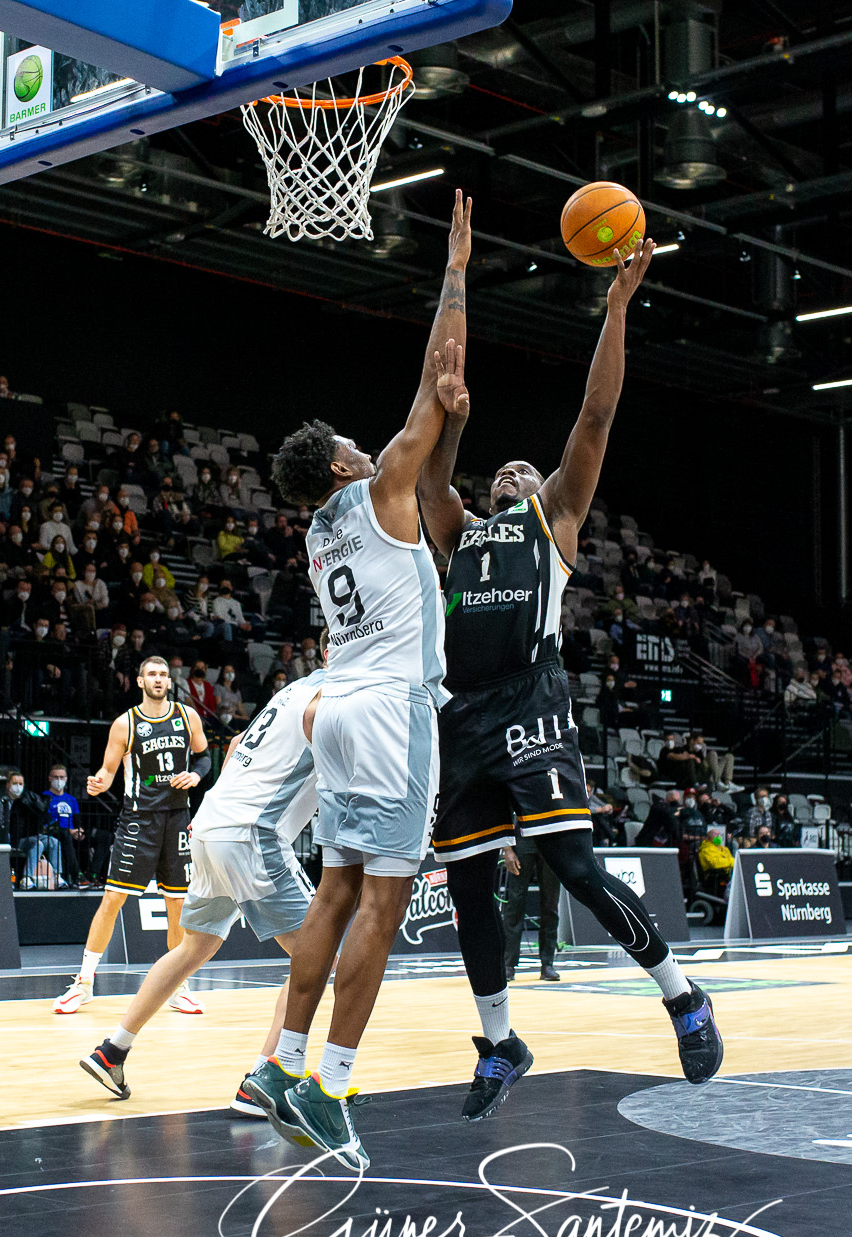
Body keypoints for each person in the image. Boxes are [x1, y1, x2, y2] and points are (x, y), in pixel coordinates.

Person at [416, 233, 719, 1123]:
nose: (514, 472)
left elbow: (593, 419)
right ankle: (500, 1040)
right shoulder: (458, 530)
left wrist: (617, 307)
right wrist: (456, 416)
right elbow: (433, 471)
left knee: (574, 864)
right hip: (462, 720)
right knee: (471, 885)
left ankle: (682, 994)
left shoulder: (554, 520)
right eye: (499, 469)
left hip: (532, 705)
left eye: (525, 468)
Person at [254, 189, 471, 1172]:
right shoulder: (379, 486)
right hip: (391, 712)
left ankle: (280, 1064)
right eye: (352, 440)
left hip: (334, 709)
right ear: (342, 460)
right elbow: (439, 379)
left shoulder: (314, 531)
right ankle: (329, 1088)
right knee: (381, 906)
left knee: (333, 896)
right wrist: (457, 270)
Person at [81, 675, 327, 1118]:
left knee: (195, 946)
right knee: (315, 954)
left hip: (210, 824)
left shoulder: (291, 691)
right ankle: (266, 1079)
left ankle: (112, 1050)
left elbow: (233, 747)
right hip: (253, 835)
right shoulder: (335, 697)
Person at [53, 657, 210, 1016]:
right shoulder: (126, 724)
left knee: (178, 906)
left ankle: (177, 987)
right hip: (138, 820)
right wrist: (97, 784)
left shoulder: (188, 717)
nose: (158, 680)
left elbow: (204, 758)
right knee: (112, 899)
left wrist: (197, 777)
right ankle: (84, 983)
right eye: (152, 674)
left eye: (163, 675)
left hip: (177, 819)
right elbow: (108, 772)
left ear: (169, 681)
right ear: (140, 681)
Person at [498, 838, 560, 982]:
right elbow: (504, 815)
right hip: (522, 841)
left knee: (551, 904)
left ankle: (547, 964)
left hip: (551, 842)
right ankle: (508, 964)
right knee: (514, 904)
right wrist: (507, 849)